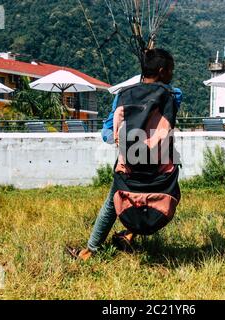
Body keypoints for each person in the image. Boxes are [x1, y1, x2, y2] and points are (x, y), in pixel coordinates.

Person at [66, 49, 182, 261]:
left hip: (128, 163)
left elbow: (111, 131)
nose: (172, 75)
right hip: (159, 166)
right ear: (163, 71)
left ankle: (90, 251)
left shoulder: (123, 95)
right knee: (164, 196)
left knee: (112, 203)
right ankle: (129, 234)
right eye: (170, 71)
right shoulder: (173, 96)